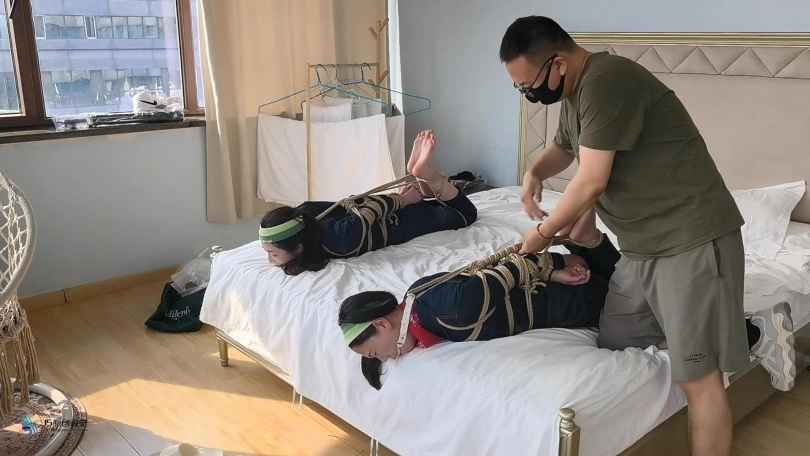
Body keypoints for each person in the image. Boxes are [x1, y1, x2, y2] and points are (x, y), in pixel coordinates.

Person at [499, 16, 796, 456]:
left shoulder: (608, 80)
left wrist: (543, 233)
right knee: (618, 339)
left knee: (699, 378)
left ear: (558, 64)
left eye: (528, 85)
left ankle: (730, 338)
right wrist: (534, 173)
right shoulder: (576, 92)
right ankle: (743, 330)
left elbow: (591, 179)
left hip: (690, 239)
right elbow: (563, 147)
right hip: (640, 245)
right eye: (520, 88)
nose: (528, 93)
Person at [338, 210, 793, 392]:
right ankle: (588, 240)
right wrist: (558, 263)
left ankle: (754, 331)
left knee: (627, 337)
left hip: (580, 302)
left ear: (382, 323)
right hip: (570, 286)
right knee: (624, 279)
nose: (384, 359)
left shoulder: (447, 309)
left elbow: (509, 268)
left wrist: (553, 268)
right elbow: (503, 271)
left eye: (375, 352)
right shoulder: (418, 298)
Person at [260, 130, 478, 275]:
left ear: (299, 248)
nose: (270, 260)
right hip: (397, 215)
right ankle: (423, 173)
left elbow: (360, 209)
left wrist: (401, 200)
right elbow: (353, 205)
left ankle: (425, 174)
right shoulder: (308, 216)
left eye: (273, 253)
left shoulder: (335, 240)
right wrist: (400, 201)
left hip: (403, 222)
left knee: (465, 214)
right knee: (444, 205)